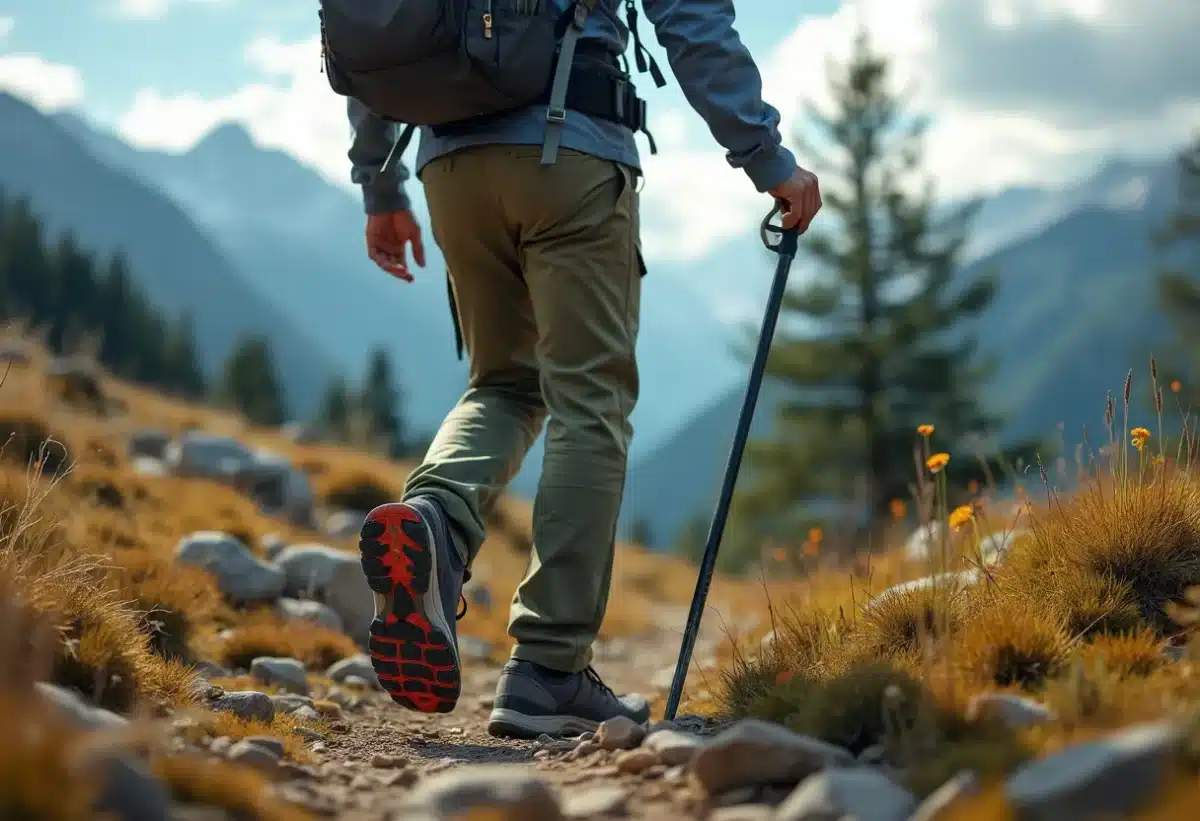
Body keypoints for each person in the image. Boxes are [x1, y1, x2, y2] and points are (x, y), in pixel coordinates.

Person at [347, 0, 821, 739]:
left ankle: (436, 519)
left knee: (503, 383)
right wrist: (767, 157)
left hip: (449, 165)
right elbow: (693, 24)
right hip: (569, 152)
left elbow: (380, 30)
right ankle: (549, 667)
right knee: (586, 402)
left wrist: (379, 184)